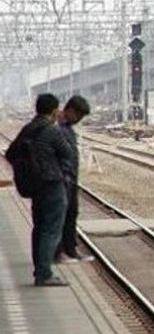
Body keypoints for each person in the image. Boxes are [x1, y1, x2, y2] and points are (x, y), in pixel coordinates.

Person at [12, 94, 72, 286]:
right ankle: (44, 273)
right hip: (52, 183)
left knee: (39, 227)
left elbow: (11, 153)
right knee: (51, 228)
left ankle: (40, 268)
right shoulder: (52, 130)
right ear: (54, 110)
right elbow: (67, 152)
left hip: (35, 185)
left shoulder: (28, 128)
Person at [56, 95, 92, 264]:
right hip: (61, 181)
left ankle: (70, 250)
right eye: (79, 116)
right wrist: (63, 177)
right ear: (70, 111)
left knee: (71, 214)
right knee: (60, 218)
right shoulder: (57, 128)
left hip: (70, 181)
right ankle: (59, 252)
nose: (79, 120)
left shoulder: (67, 128)